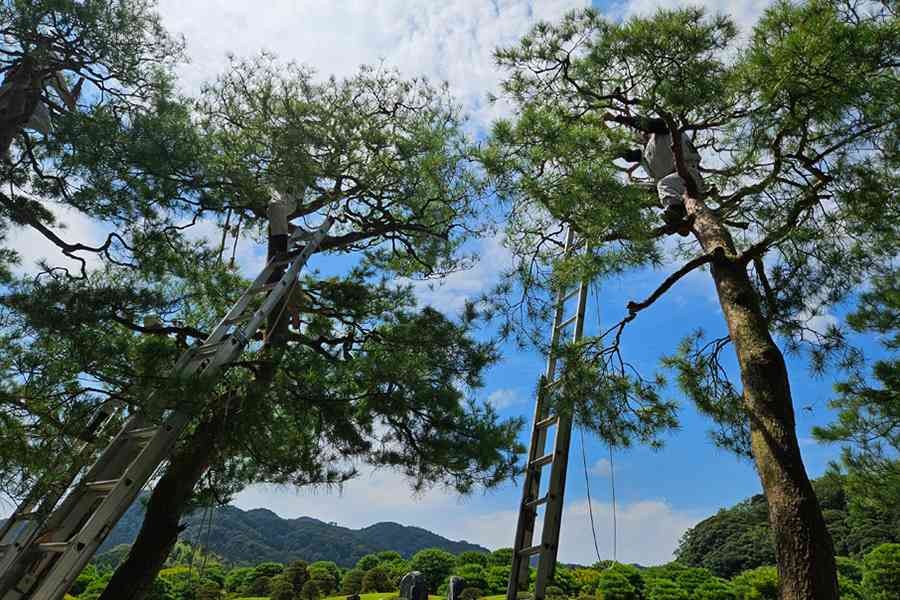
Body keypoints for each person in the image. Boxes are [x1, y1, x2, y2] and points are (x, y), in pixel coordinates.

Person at [604, 113, 703, 235]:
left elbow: (646, 124)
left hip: (687, 174)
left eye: (643, 132)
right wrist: (604, 129)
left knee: (664, 184)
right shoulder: (646, 153)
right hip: (672, 186)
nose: (642, 134)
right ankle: (679, 220)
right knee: (633, 189)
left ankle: (676, 215)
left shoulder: (666, 128)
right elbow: (626, 154)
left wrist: (616, 118)